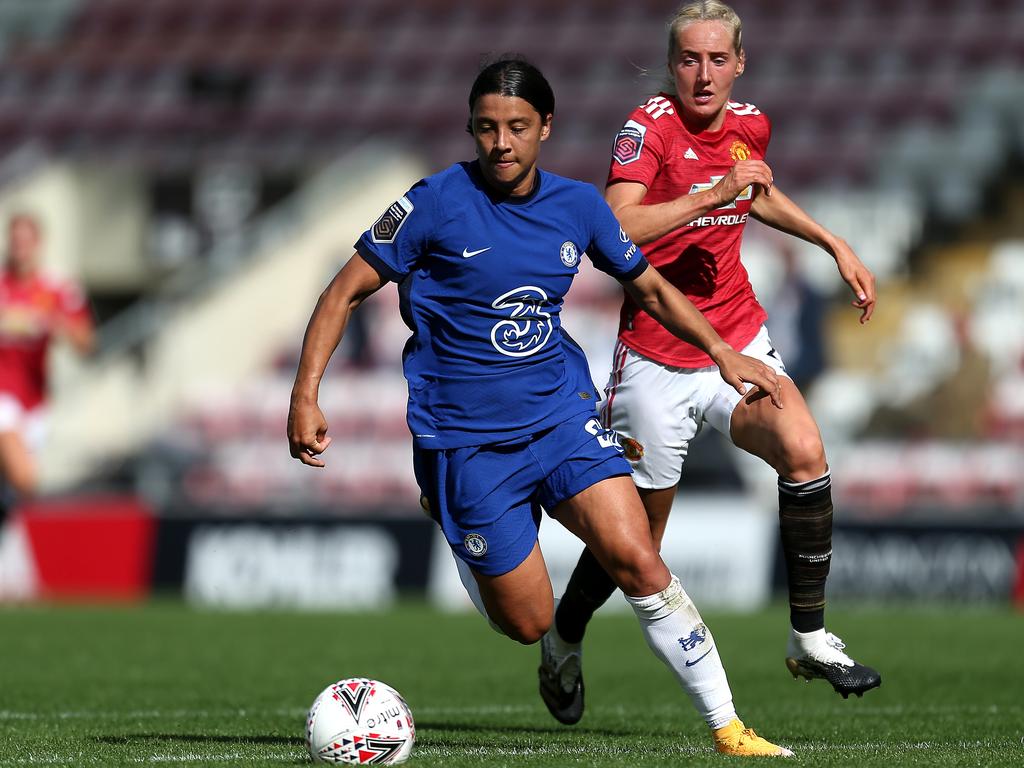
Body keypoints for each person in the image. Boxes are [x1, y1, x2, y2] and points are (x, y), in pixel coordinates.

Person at [288, 56, 793, 757]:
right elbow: (341, 293)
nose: (501, 143)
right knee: (527, 622)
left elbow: (649, 288)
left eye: (517, 127)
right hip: (465, 442)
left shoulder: (578, 206)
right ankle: (470, 536)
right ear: (471, 128)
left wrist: (723, 352)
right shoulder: (431, 203)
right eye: (487, 128)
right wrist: (305, 395)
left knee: (638, 558)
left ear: (545, 128)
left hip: (560, 419)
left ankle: (729, 728)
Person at [540, 0, 882, 725]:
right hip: (658, 361)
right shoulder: (647, 131)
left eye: (717, 58)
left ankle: (810, 635)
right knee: (634, 547)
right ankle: (563, 640)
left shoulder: (749, 123)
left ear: (740, 63)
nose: (703, 73)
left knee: (804, 446)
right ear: (672, 65)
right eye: (689, 59)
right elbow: (615, 223)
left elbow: (757, 192)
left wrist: (832, 242)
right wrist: (709, 196)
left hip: (740, 340)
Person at [0, 213, 94, 517]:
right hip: (4, 393)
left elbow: (87, 343)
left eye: (25, 241)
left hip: (35, 402)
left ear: (39, 243)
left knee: (15, 493)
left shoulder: (57, 289)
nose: (19, 248)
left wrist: (56, 324)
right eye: (15, 241)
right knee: (25, 478)